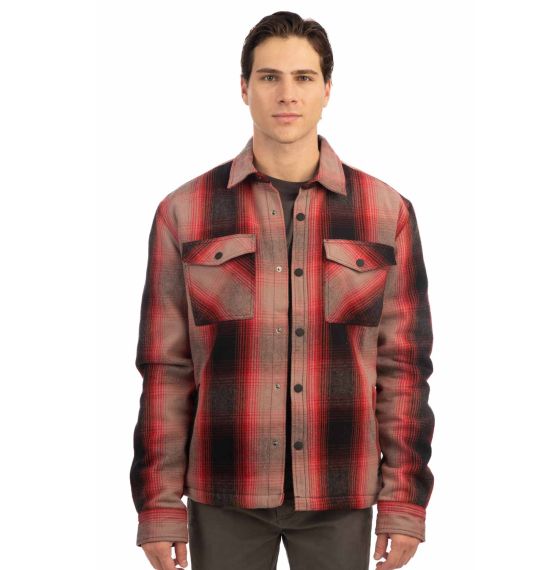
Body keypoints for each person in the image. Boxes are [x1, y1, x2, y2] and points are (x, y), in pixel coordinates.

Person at [129, 10, 435, 570]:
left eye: (303, 77)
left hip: (341, 491)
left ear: (327, 90)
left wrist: (403, 502)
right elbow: (166, 370)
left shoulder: (384, 212)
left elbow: (404, 369)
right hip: (224, 490)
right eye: (269, 77)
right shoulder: (185, 212)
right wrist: (158, 505)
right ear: (244, 88)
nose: (287, 94)